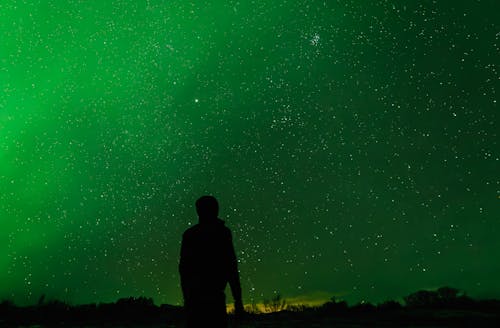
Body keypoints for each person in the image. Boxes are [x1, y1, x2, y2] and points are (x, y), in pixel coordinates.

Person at [179, 196, 244, 327]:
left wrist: (187, 297)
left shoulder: (190, 234)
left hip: (195, 299)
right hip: (214, 298)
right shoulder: (222, 233)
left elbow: (184, 270)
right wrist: (238, 299)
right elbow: (231, 267)